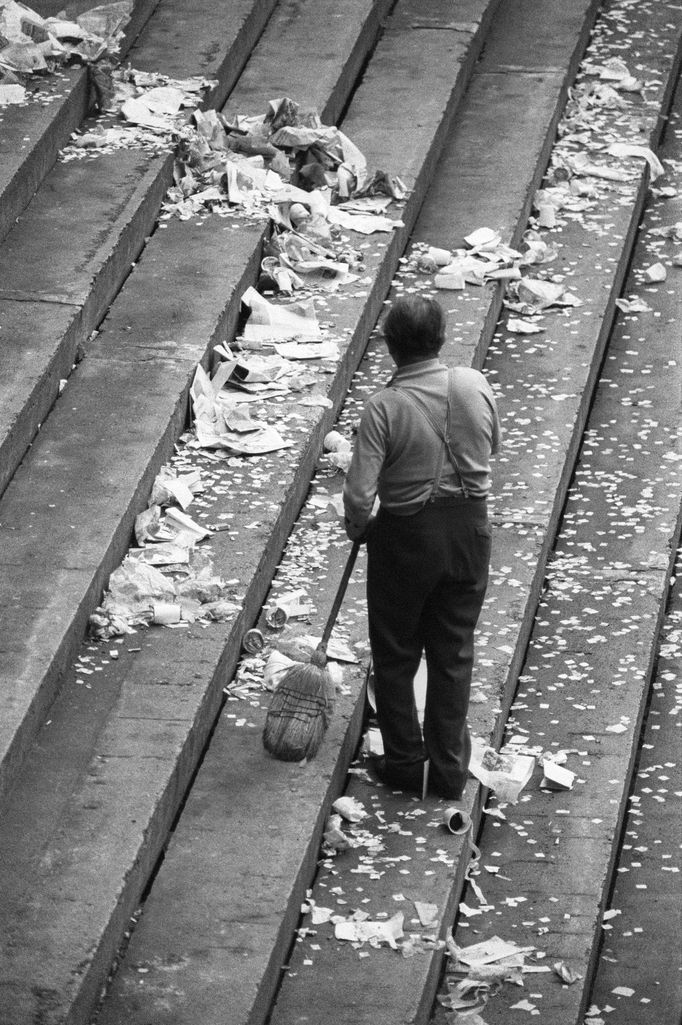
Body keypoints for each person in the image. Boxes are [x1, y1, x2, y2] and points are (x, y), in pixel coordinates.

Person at [343, 295, 501, 800]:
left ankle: (408, 762)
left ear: (390, 347)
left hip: (407, 539)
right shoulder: (473, 383)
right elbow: (491, 446)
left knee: (397, 651)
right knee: (453, 651)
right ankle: (450, 768)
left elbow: (359, 494)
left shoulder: (385, 407)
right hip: (470, 533)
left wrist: (357, 527)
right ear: (442, 338)